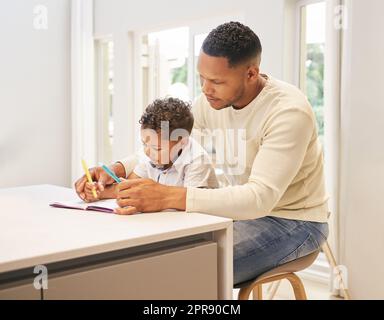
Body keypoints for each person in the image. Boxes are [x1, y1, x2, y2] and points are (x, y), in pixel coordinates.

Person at [75, 21, 329, 285]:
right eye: (201, 78)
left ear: (251, 74)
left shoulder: (288, 112)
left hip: (293, 222)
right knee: (149, 256)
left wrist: (166, 196)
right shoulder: (211, 102)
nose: (206, 89)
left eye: (217, 81)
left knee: (186, 269)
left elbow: (259, 199)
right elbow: (172, 142)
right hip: (241, 213)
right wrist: (117, 169)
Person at [81, 97, 218, 202]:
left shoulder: (196, 161)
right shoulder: (151, 157)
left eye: (156, 148)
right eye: (144, 144)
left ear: (181, 142)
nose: (147, 152)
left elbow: (191, 205)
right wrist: (97, 191)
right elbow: (129, 187)